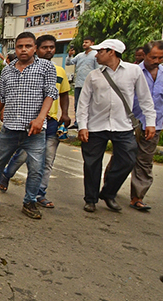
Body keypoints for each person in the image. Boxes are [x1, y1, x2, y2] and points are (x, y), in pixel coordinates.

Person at [0, 32, 57, 220]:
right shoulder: (8, 70)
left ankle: (30, 202)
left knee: (36, 169)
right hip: (10, 128)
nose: (24, 50)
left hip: (34, 131)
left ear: (34, 48)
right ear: (15, 49)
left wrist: (40, 118)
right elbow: (1, 96)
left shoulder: (46, 67)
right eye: (20, 46)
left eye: (28, 46)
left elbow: (51, 93)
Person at [76, 39, 156, 212]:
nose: (96, 55)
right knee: (91, 164)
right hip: (96, 126)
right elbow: (83, 103)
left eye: (100, 52)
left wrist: (150, 122)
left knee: (128, 159)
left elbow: (145, 99)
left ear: (111, 52)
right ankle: (90, 199)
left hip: (123, 125)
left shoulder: (134, 71)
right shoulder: (93, 75)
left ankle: (108, 192)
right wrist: (82, 126)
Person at [0, 35, 72, 208]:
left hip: (50, 122)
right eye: (45, 47)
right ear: (37, 48)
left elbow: (63, 93)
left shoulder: (59, 71)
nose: (49, 51)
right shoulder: (19, 69)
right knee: (21, 156)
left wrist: (65, 113)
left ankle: (39, 194)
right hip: (29, 122)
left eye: (52, 47)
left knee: (45, 162)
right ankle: (6, 174)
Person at [129, 40, 163, 211]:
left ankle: (137, 197)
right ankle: (109, 187)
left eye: (160, 58)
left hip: (154, 124)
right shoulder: (133, 72)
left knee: (145, 161)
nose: (156, 61)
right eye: (153, 57)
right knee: (124, 157)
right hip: (130, 122)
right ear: (145, 54)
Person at [69, 36, 100, 128]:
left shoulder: (95, 55)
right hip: (78, 84)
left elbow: (97, 69)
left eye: (86, 42)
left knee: (88, 104)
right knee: (77, 104)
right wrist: (70, 55)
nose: (84, 44)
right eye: (84, 42)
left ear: (92, 43)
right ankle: (77, 122)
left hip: (89, 85)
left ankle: (87, 123)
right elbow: (69, 63)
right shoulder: (80, 55)